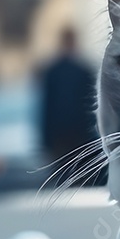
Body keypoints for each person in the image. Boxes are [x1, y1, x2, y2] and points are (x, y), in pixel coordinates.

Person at [37, 27, 101, 184]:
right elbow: (47, 107)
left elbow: (47, 108)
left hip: (70, 136)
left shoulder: (75, 71)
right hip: (71, 136)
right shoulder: (63, 71)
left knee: (68, 177)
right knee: (71, 178)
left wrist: (45, 140)